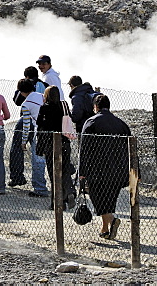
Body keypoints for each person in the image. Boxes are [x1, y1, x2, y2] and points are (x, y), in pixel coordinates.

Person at [79, 94, 132, 240]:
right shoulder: (121, 124)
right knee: (109, 200)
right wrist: (134, 171)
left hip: (97, 170)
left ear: (95, 107)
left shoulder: (91, 122)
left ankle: (112, 220)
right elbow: (131, 149)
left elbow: (84, 148)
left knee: (98, 200)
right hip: (118, 170)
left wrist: (82, 171)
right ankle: (104, 229)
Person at [36, 86, 75, 211]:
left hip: (50, 143)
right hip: (64, 141)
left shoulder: (44, 108)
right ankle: (69, 191)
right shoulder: (63, 106)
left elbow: (40, 126)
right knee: (65, 169)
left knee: (53, 174)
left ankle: (57, 203)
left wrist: (39, 148)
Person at [15, 78, 48, 199]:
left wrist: (24, 141)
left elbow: (26, 125)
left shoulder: (25, 104)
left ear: (20, 91)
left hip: (38, 134)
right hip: (51, 132)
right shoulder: (42, 96)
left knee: (38, 161)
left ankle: (40, 188)